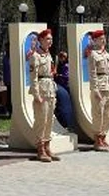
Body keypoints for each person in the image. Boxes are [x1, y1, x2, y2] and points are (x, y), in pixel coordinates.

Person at [28, 29, 58, 162]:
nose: (50, 41)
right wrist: (36, 94)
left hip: (50, 89)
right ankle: (40, 149)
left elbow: (51, 72)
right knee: (42, 119)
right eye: (47, 39)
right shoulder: (36, 56)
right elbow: (33, 77)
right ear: (40, 40)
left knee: (50, 119)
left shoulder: (48, 55)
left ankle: (47, 146)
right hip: (41, 89)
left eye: (51, 39)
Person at [87, 29, 109, 152]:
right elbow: (92, 73)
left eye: (104, 38)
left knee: (108, 115)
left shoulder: (106, 54)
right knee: (98, 114)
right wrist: (95, 89)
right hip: (99, 85)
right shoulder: (93, 55)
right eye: (100, 38)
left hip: (108, 86)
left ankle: (104, 137)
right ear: (94, 40)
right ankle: (98, 140)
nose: (103, 40)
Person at [53, 51, 75, 131]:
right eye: (60, 57)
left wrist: (58, 75)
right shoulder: (59, 66)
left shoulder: (66, 66)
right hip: (59, 86)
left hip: (65, 86)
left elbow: (66, 76)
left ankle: (67, 122)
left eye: (63, 57)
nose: (61, 59)